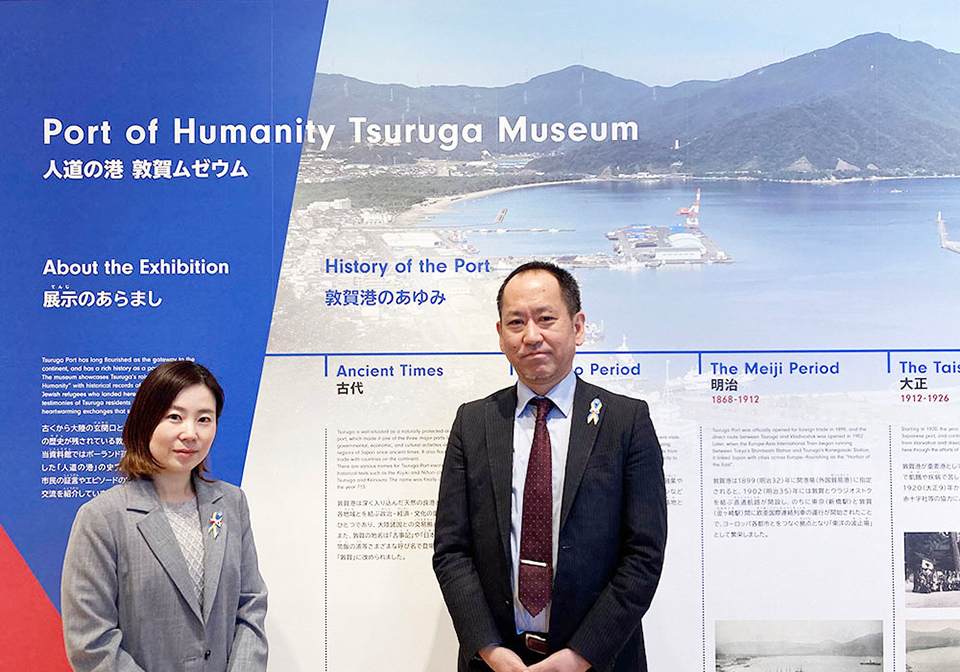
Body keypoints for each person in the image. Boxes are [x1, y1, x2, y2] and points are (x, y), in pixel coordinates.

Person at [433, 261, 667, 672]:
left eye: (545, 319)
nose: (532, 336)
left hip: (600, 661)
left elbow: (644, 554)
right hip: (496, 662)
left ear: (577, 327)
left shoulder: (625, 421)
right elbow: (452, 549)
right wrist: (488, 648)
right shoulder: (472, 423)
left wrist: (580, 657)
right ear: (501, 335)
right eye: (516, 322)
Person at [61, 360, 268, 671]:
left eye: (204, 419)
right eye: (175, 417)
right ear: (146, 421)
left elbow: (250, 605)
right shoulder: (102, 517)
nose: (190, 433)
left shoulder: (231, 503)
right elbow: (91, 642)